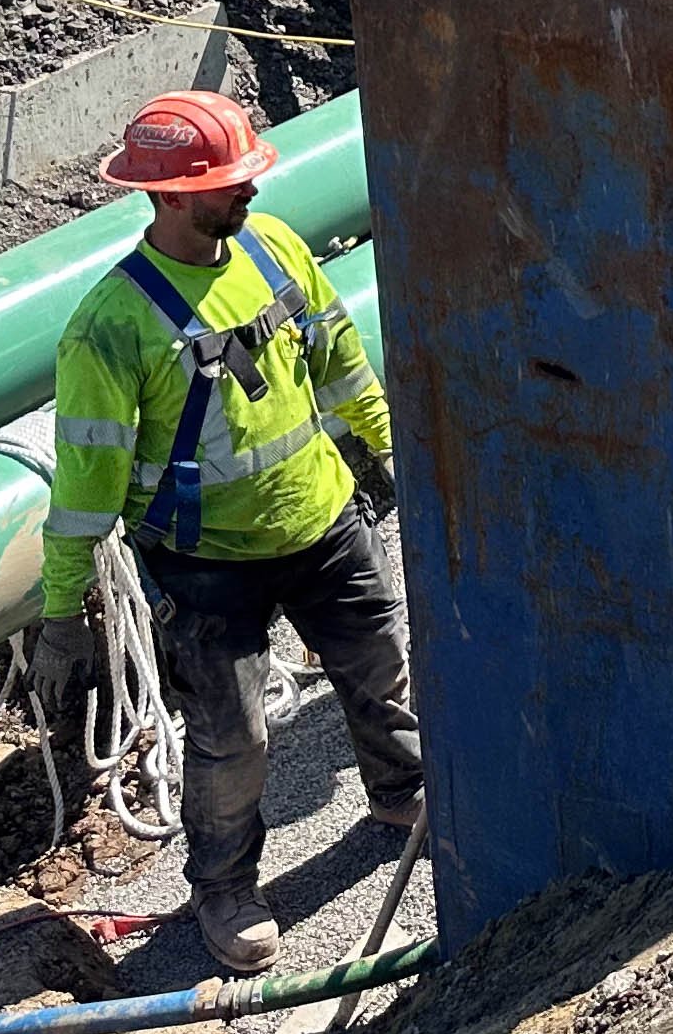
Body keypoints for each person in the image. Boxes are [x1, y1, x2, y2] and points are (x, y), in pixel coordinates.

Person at [29, 96, 422, 974]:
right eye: (225, 182)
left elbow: (338, 352)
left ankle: (403, 793)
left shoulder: (272, 247)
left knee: (378, 663)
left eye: (246, 174)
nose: (246, 189)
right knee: (232, 739)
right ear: (168, 196)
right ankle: (223, 889)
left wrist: (384, 445)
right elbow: (85, 487)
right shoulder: (112, 327)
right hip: (207, 566)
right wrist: (63, 612)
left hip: (322, 520)